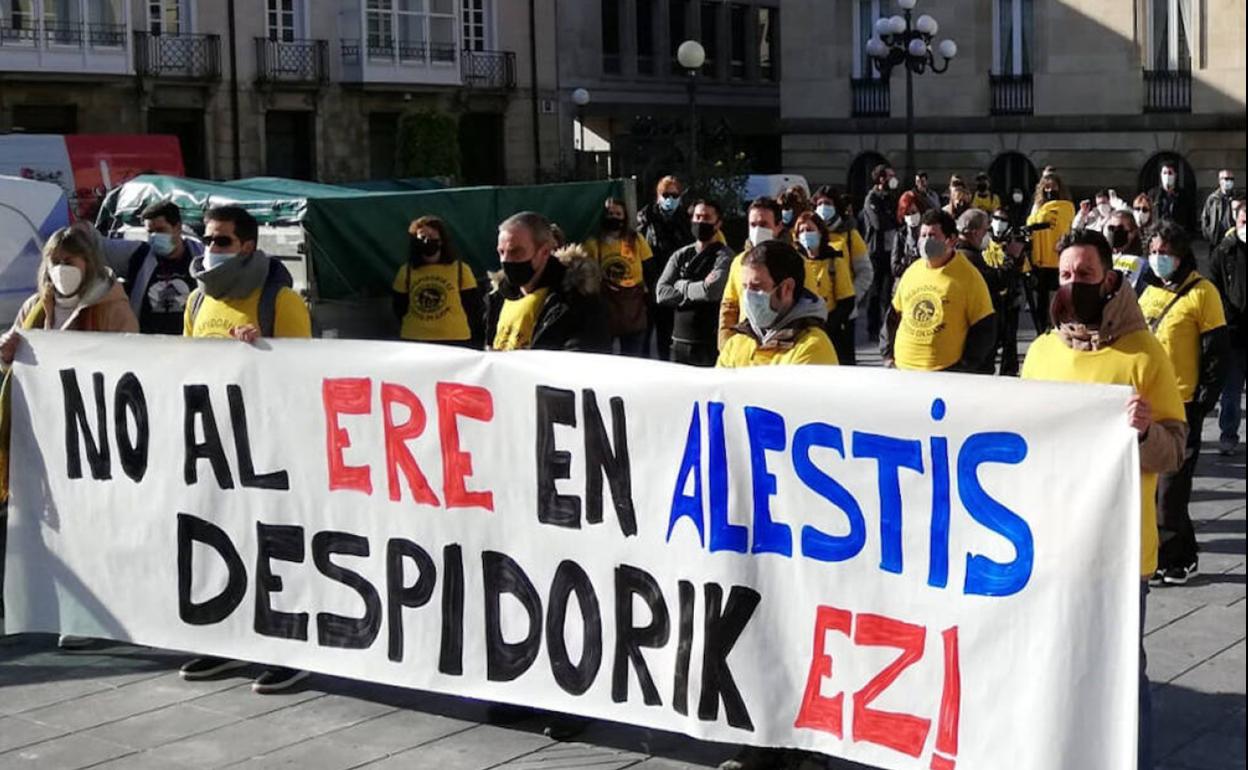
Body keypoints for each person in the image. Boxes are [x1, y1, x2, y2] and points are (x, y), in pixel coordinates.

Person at [1021, 229, 1187, 770]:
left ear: (1110, 279)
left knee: (1120, 671)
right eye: (1065, 275)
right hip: (1050, 544)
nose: (1073, 284)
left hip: (1120, 552)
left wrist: (1143, 433)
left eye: (1085, 275)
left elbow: (1175, 451)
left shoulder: (1143, 355)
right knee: (1054, 659)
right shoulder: (1042, 353)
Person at [180, 206, 312, 693]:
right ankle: (227, 641)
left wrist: (264, 355)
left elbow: (305, 377)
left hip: (271, 446)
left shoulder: (280, 301)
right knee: (219, 540)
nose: (211, 249)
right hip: (214, 445)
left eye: (222, 241)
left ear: (249, 246)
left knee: (275, 545)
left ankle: (289, 648)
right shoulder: (196, 302)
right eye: (208, 239)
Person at [0, 226, 140, 648]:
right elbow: (15, 367)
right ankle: (62, 608)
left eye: (71, 261)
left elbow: (134, 367)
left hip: (95, 438)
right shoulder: (34, 307)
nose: (61, 270)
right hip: (43, 436)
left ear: (89, 264)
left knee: (93, 527)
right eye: (55, 261)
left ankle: (96, 618)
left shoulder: (112, 306)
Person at [1139, 221, 1229, 585]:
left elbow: (1216, 353)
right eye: (1154, 252)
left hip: (1183, 404)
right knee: (1157, 487)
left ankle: (1172, 558)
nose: (1159, 258)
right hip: (1147, 403)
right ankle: (1183, 554)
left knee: (1171, 490)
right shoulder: (1146, 292)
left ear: (1181, 255)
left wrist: (1204, 401)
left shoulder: (1202, 293)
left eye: (1166, 253)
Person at [886, 209, 996, 373]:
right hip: (903, 370)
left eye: (932, 236)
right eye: (923, 236)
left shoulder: (968, 276)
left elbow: (985, 327)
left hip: (945, 373)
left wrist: (965, 366)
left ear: (951, 239)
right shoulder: (912, 271)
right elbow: (893, 316)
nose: (925, 241)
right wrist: (887, 355)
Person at [486, 211, 610, 353]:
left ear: (544, 251)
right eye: (501, 252)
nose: (505, 260)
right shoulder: (497, 296)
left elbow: (583, 361)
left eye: (516, 252)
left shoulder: (577, 300)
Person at [717, 240, 838, 367]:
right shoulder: (736, 343)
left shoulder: (813, 347)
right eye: (745, 287)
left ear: (786, 288)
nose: (747, 296)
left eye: (757, 287)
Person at [656, 199, 735, 366]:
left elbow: (712, 291)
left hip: (709, 343)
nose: (701, 222)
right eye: (697, 217)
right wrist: (698, 288)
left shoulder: (724, 256)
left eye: (707, 218)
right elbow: (661, 293)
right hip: (679, 342)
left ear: (718, 223)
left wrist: (681, 285)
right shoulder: (680, 255)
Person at [391, 216, 484, 348]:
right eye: (422, 237)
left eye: (431, 235)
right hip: (415, 339)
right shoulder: (406, 271)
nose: (427, 240)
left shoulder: (460, 269)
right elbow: (399, 306)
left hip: (455, 339)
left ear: (441, 241)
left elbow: (472, 306)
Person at [584, 198, 653, 356]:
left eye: (618, 213)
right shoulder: (593, 244)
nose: (614, 217)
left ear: (625, 216)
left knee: (633, 361)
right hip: (605, 311)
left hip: (633, 310)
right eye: (609, 213)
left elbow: (650, 270)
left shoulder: (636, 240)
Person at [126, 199, 204, 335]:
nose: (155, 236)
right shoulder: (140, 257)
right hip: (150, 345)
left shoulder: (200, 258)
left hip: (192, 342)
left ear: (178, 227)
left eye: (161, 230)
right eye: (150, 232)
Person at [718, 197, 785, 350]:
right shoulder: (739, 262)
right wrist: (725, 345)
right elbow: (729, 307)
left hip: (781, 348)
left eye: (763, 224)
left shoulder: (795, 262)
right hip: (744, 348)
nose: (757, 230)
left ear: (778, 227)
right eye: (753, 225)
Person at [637, 175, 693, 361]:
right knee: (643, 337)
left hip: (674, 284)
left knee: (668, 335)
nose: (670, 199)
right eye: (666, 194)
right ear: (658, 195)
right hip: (650, 282)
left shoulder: (686, 220)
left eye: (675, 195)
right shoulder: (645, 219)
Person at [817, 189, 872, 363]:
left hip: (844, 314)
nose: (823, 208)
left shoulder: (850, 235)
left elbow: (865, 271)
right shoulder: (809, 234)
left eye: (827, 204)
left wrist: (851, 297)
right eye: (819, 204)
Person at [1210, 198, 1246, 455]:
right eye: (1245, 221)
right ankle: (1228, 435)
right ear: (1237, 222)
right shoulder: (1223, 251)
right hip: (1234, 333)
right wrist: (1227, 316)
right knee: (1231, 393)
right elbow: (1215, 288)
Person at [793, 211, 855, 362]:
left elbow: (847, 301)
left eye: (810, 230)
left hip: (831, 332)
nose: (805, 234)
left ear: (820, 232)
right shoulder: (795, 263)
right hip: (801, 333)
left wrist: (828, 326)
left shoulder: (834, 261)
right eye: (801, 231)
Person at [1026, 167, 1076, 332]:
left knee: (1058, 297)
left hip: (1058, 258)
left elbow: (1064, 224)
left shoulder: (1067, 207)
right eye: (1046, 188)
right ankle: (1041, 331)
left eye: (1053, 187)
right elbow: (1031, 224)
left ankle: (1058, 327)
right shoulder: (1039, 207)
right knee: (1041, 299)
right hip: (1040, 260)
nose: (1049, 190)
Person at [955, 209, 1004, 374]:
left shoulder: (955, 253)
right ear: (975, 232)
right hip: (975, 336)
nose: (987, 235)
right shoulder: (970, 259)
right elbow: (995, 283)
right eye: (985, 230)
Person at [984, 207, 1029, 375]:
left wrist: (1017, 256)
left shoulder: (1012, 243)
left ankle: (1009, 372)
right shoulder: (984, 241)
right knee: (990, 340)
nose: (999, 223)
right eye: (997, 218)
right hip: (989, 298)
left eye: (1003, 220)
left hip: (1008, 298)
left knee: (1009, 340)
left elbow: (1020, 272)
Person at [861, 163, 900, 345]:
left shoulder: (891, 198)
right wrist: (891, 218)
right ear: (881, 179)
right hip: (876, 251)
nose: (893, 179)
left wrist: (892, 218)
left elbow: (898, 218)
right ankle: (872, 328)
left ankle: (887, 328)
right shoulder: (871, 198)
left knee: (889, 291)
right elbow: (879, 223)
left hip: (890, 250)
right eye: (890, 176)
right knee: (875, 292)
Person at [1105, 209, 1153, 295]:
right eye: (1111, 228)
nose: (1115, 233)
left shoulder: (1143, 264)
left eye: (1120, 228)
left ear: (1133, 232)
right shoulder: (1103, 258)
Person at [1148, 160, 1195, 231]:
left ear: (1175, 175)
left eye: (1170, 173)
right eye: (1164, 173)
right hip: (1158, 234)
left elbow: (1190, 218)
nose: (1167, 176)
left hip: (1177, 235)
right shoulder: (1153, 194)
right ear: (1161, 175)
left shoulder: (1183, 195)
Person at [1201, 169, 1237, 244]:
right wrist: (1208, 233)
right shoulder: (1213, 198)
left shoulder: (1238, 197)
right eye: (1227, 179)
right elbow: (1205, 217)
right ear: (1220, 181)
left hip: (1234, 237)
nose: (1229, 181)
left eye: (1232, 179)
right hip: (1217, 237)